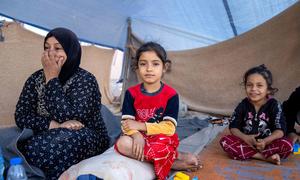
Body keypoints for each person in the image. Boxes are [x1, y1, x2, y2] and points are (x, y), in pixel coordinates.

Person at [15, 27, 109, 179]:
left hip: (86, 134)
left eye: (58, 48)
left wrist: (52, 78)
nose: (51, 53)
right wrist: (53, 125)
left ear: (71, 51)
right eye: (47, 48)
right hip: (49, 134)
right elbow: (21, 116)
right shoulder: (35, 79)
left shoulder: (85, 79)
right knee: (34, 147)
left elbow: (71, 117)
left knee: (48, 147)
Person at [114, 42, 201, 180]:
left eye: (155, 64)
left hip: (161, 138)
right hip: (137, 138)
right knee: (122, 143)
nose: (149, 69)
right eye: (143, 64)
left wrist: (140, 126)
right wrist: (136, 135)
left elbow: (169, 128)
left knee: (162, 144)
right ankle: (173, 162)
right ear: (137, 67)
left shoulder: (171, 95)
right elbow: (126, 123)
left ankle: (173, 156)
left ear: (164, 67)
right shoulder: (131, 93)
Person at [219, 64, 293, 165]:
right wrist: (245, 137)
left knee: (287, 145)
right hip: (246, 142)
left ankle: (250, 154)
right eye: (249, 85)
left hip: (268, 144)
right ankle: (264, 157)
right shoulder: (243, 105)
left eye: (259, 85)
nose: (253, 89)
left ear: (268, 89)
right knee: (225, 141)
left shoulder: (274, 105)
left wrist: (265, 141)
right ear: (245, 86)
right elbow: (233, 127)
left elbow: (280, 130)